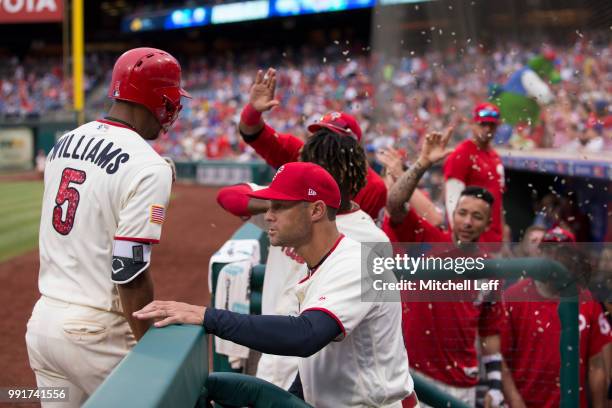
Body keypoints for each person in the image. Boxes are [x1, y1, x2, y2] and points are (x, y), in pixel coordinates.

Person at [136, 162, 416, 407]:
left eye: (280, 206)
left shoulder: (355, 263)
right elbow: (315, 366)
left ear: (316, 210)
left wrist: (208, 317)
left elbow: (305, 336)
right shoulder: (321, 265)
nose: (268, 215)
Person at [25, 47, 190, 406]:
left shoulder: (63, 142)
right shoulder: (149, 165)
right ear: (159, 100)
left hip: (43, 323)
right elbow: (128, 270)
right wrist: (151, 350)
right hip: (98, 332)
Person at [217, 125, 394, 390]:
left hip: (325, 371)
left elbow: (319, 334)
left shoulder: (371, 240)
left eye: (317, 167)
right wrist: (284, 203)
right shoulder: (291, 214)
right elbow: (227, 197)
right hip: (273, 351)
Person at [383, 130, 506, 407]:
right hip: (411, 378)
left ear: (487, 224)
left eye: (477, 217)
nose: (467, 222)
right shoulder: (426, 237)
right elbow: (395, 204)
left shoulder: (490, 269)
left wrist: (496, 387)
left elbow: (489, 331)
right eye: (462, 213)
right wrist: (422, 164)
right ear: (453, 213)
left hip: (459, 385)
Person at [238, 67, 387, 221]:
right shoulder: (302, 153)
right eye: (320, 136)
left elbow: (371, 242)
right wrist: (253, 111)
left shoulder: (374, 187)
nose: (324, 146)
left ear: (353, 150)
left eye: (332, 141)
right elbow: (253, 134)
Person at [501, 227, 611, 408]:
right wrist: (515, 400)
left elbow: (597, 366)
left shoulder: (586, 301)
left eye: (562, 254)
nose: (554, 259)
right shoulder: (515, 296)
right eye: (548, 252)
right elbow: (500, 359)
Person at [444, 102, 505, 242]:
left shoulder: (495, 156)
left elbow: (498, 200)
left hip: (493, 239)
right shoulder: (462, 154)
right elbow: (452, 201)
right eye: (482, 124)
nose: (487, 129)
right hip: (472, 239)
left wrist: (504, 232)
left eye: (492, 125)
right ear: (473, 124)